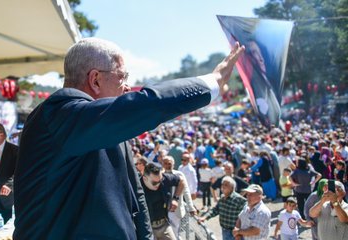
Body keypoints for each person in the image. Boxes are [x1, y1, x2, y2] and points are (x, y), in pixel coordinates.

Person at [13, 37, 245, 239]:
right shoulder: (59, 114)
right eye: (122, 77)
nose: (127, 87)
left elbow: (135, 196)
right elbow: (146, 104)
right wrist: (211, 82)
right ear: (95, 79)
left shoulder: (104, 126)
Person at [141, 163, 185, 240]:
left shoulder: (164, 178)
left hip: (164, 225)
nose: (158, 184)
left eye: (160, 181)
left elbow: (181, 180)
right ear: (145, 178)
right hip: (146, 228)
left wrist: (175, 198)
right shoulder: (137, 187)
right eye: (154, 182)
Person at [0, 123, 18, 223]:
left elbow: (19, 172)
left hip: (4, 199)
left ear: (1, 135)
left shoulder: (14, 151)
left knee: (2, 232)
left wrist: (9, 184)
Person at [163, 156, 196, 239]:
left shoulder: (179, 175)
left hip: (175, 210)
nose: (167, 165)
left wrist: (191, 207)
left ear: (173, 164)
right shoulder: (160, 175)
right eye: (165, 163)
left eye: (169, 163)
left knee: (174, 234)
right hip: (162, 210)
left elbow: (186, 191)